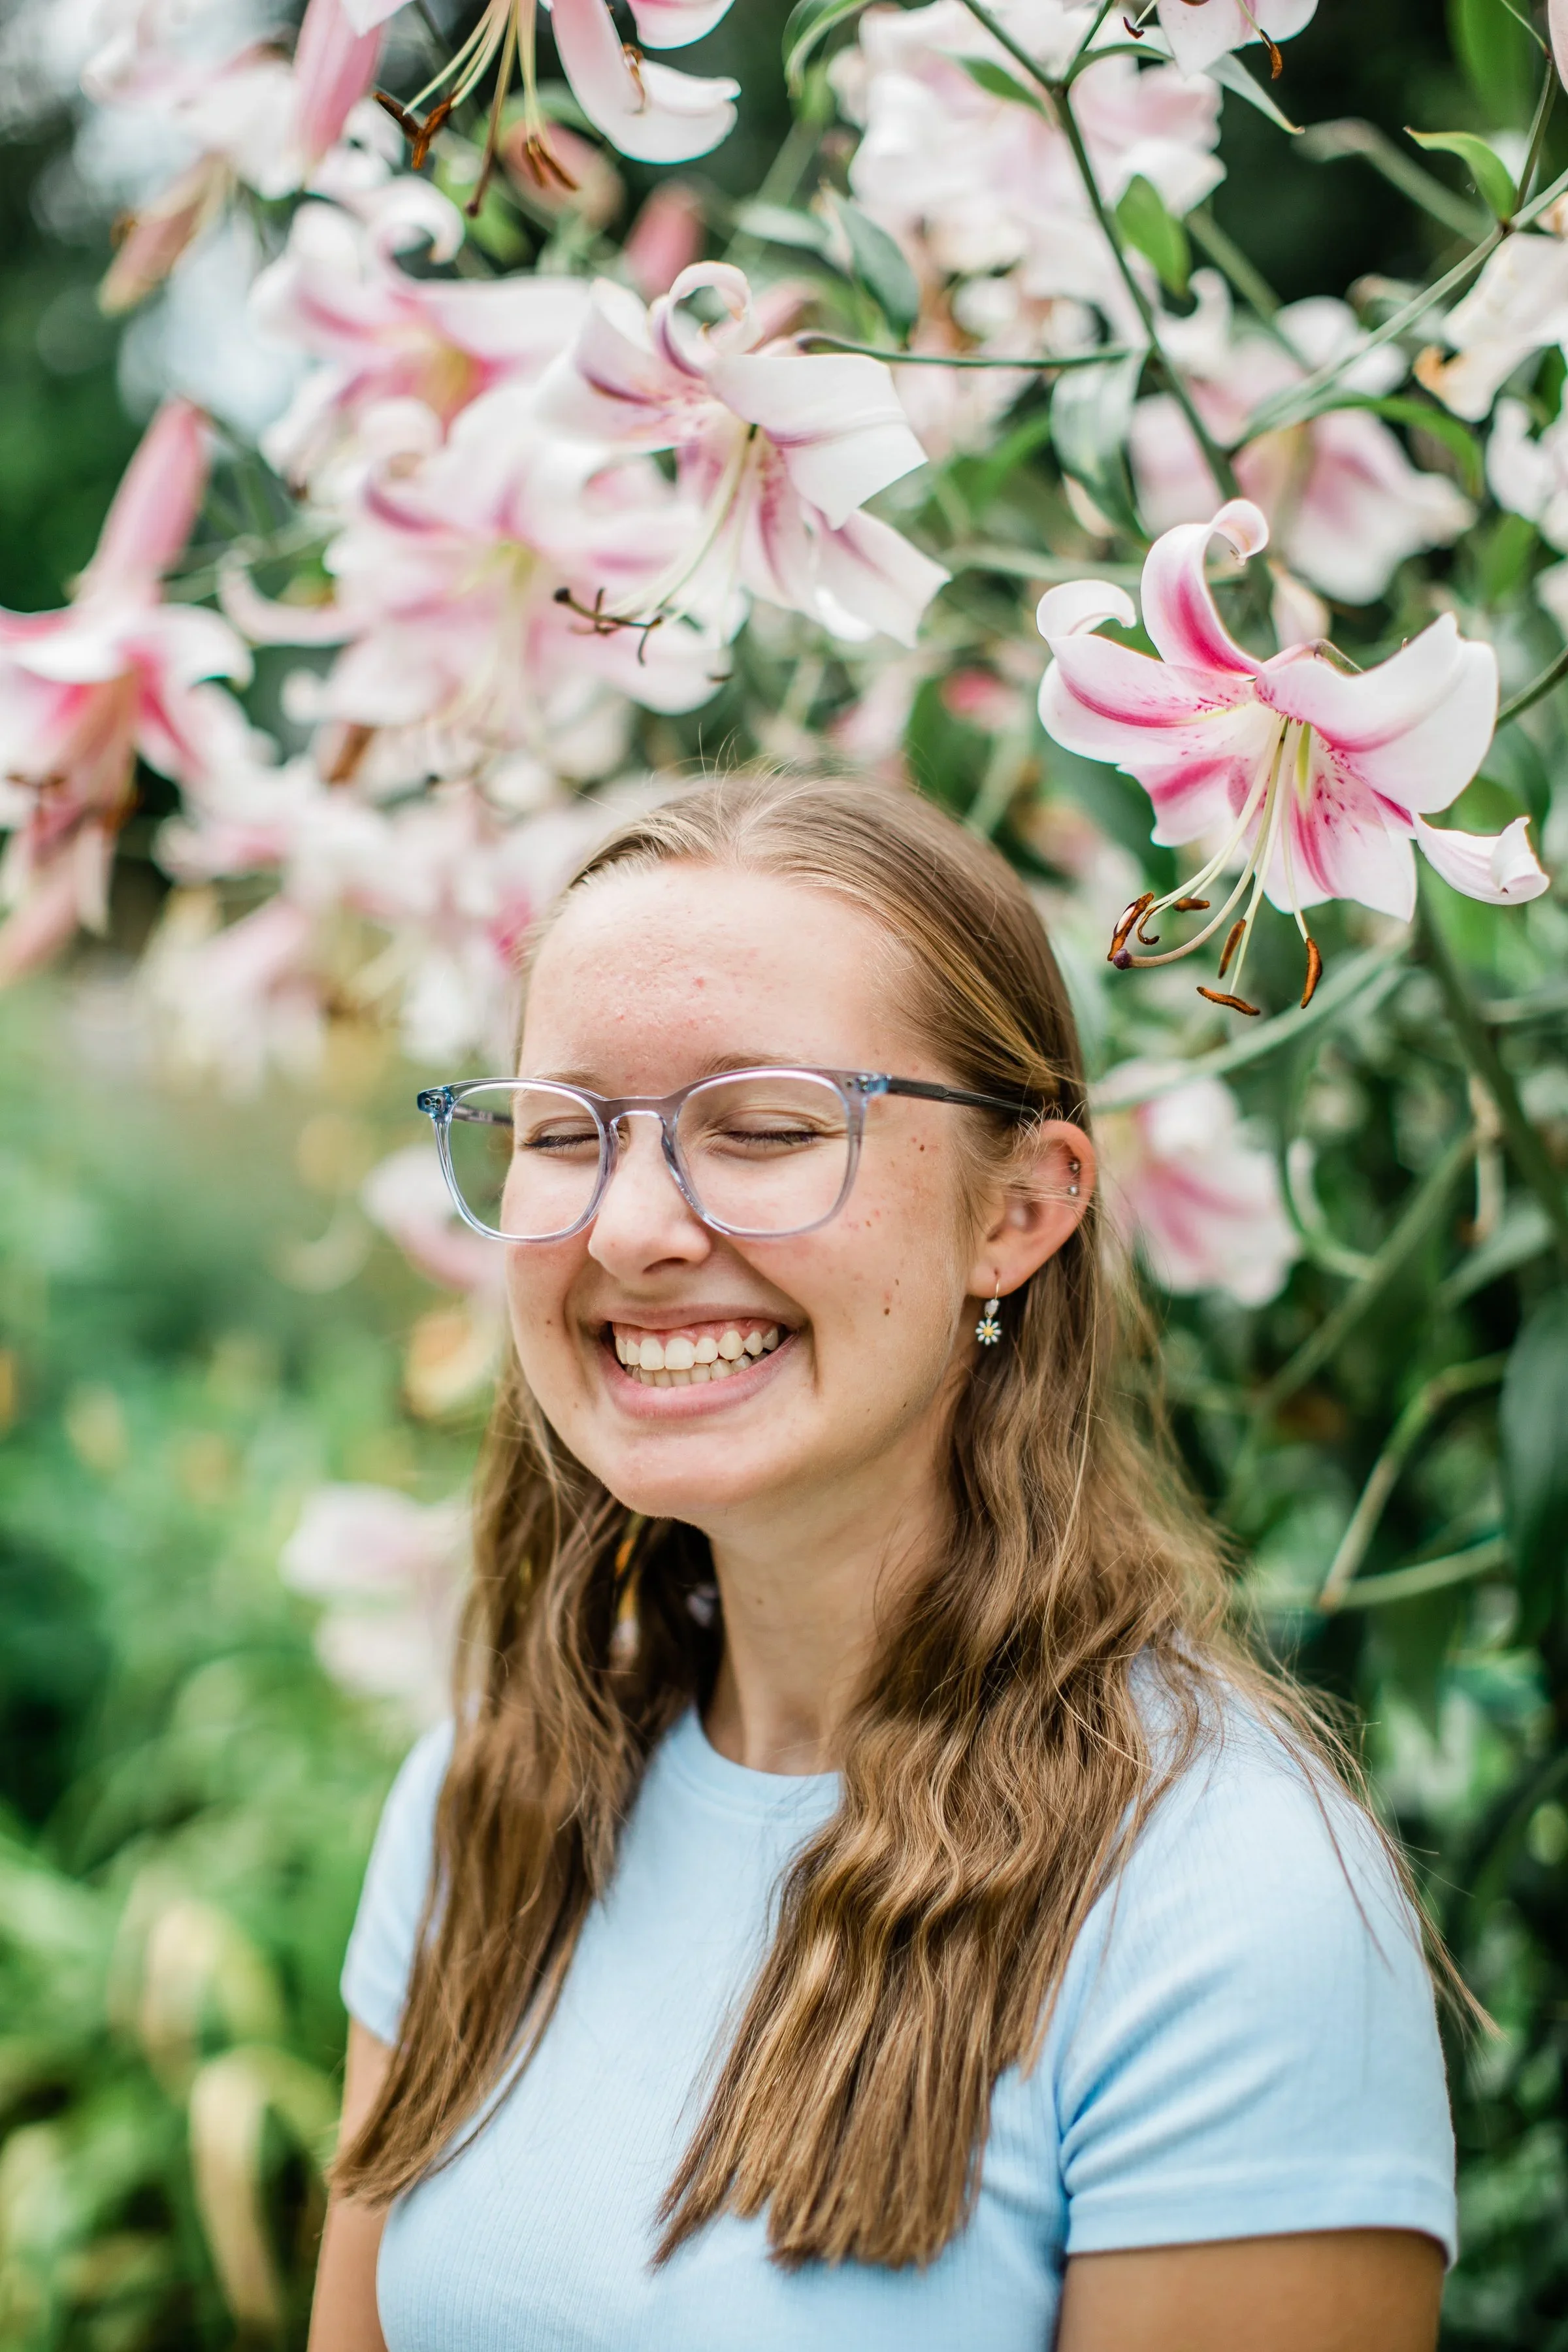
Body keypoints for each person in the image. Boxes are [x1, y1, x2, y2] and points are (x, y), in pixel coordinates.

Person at [308, 771, 1457, 2352]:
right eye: (565, 1133)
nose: (633, 1228)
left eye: (768, 1126)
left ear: (1023, 1210)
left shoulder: (1222, 1911)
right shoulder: (490, 1799)